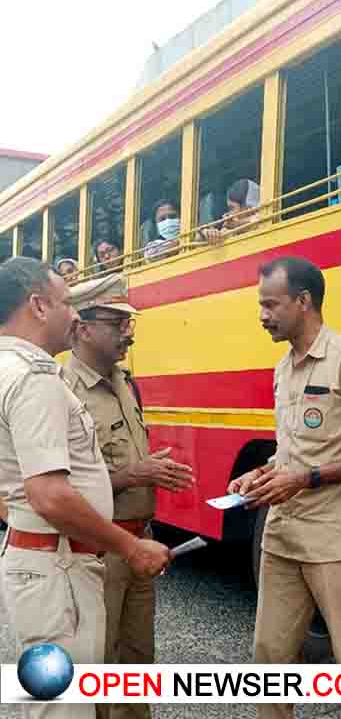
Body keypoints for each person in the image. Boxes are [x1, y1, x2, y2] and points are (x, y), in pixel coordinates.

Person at [226, 256, 341, 719]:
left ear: (304, 301)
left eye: (270, 304)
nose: (262, 315)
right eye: (261, 305)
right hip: (282, 536)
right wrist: (260, 474)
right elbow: (291, 452)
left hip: (335, 540)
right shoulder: (283, 368)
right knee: (269, 656)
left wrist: (307, 478)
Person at [0, 257, 171, 719]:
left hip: (49, 559)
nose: (73, 315)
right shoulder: (33, 378)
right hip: (59, 566)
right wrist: (129, 547)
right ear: (38, 306)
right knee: (66, 709)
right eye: (65, 303)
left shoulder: (11, 368)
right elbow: (49, 494)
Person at [65, 273, 194, 719]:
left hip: (140, 543)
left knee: (139, 661)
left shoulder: (125, 381)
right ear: (83, 329)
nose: (128, 332)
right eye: (116, 323)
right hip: (98, 551)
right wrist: (133, 473)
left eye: (129, 322)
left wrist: (149, 469)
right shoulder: (62, 391)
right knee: (99, 665)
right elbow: (60, 488)